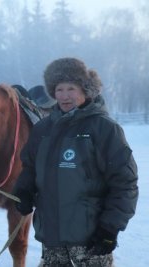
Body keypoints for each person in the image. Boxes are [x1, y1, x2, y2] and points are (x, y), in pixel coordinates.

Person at [12, 57, 138, 267]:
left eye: (71, 88)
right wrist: (24, 191)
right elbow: (30, 167)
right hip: (52, 242)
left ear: (85, 90)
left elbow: (125, 184)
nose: (64, 96)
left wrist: (109, 229)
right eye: (59, 89)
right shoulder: (43, 130)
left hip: (91, 243)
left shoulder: (104, 129)